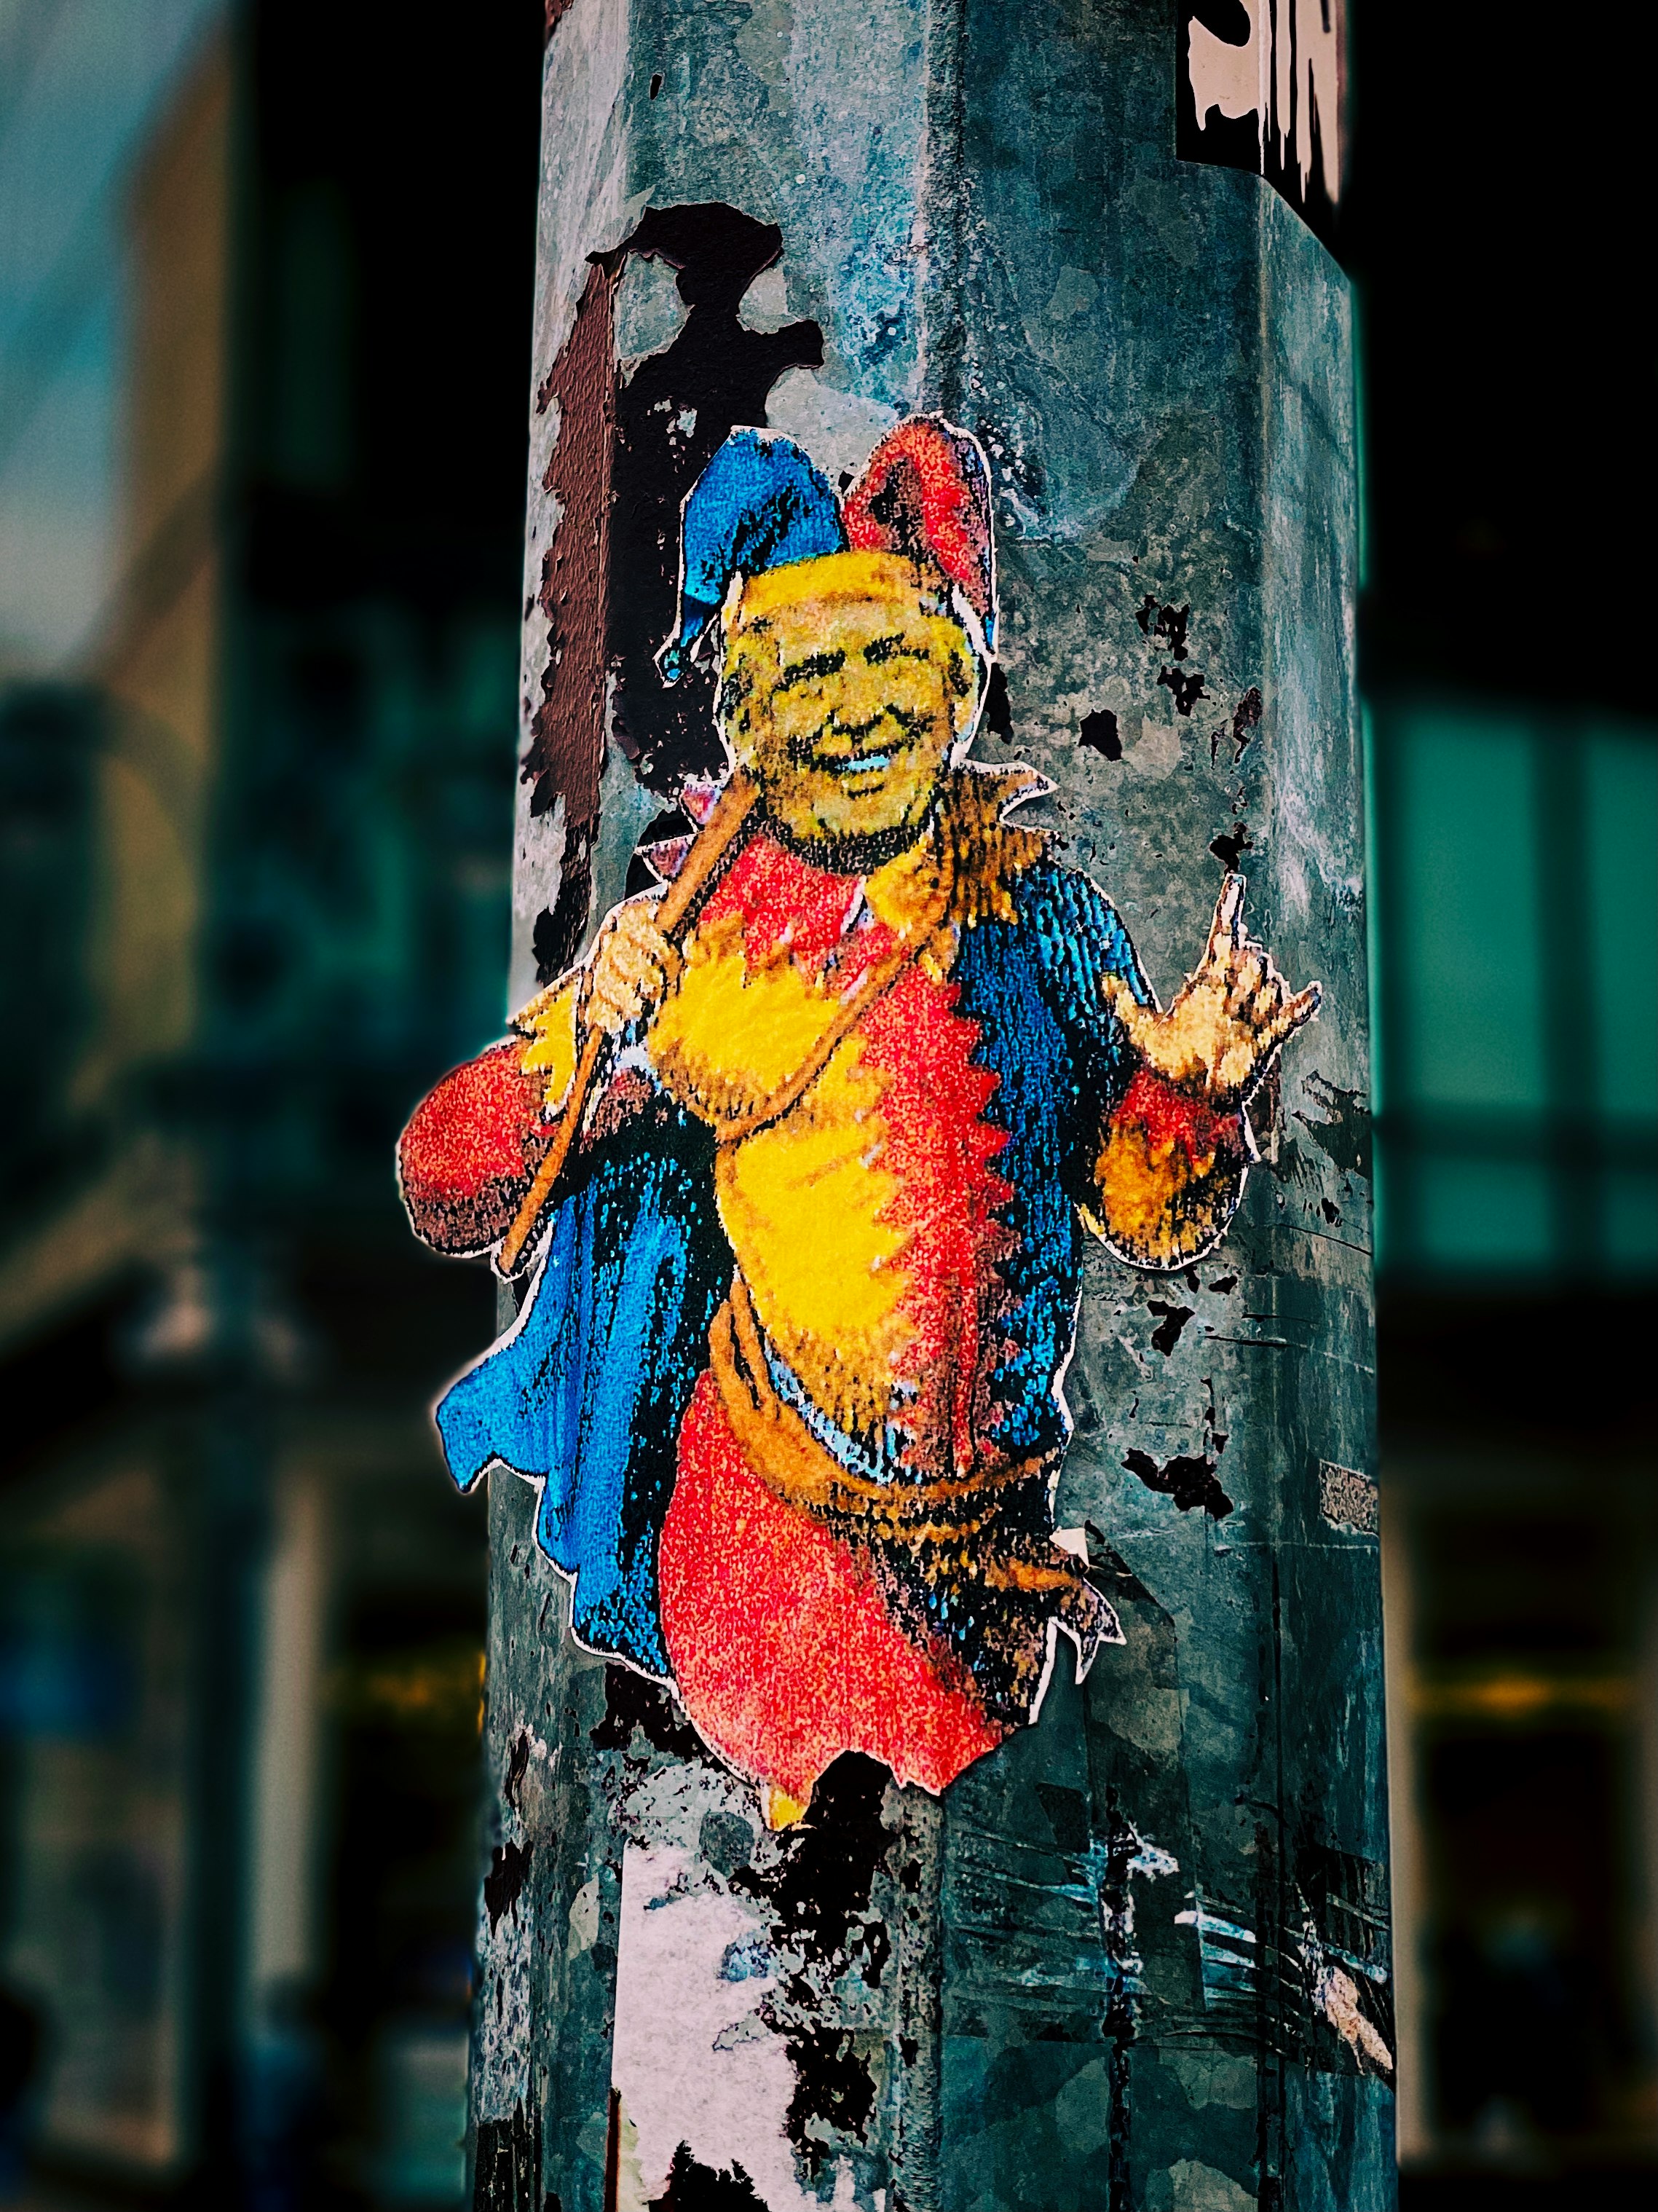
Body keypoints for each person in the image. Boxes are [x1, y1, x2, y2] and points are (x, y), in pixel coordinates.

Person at [399, 417, 1318, 1828]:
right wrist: (590, 1026)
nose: (859, 706)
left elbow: (1143, 1216)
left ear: (954, 676)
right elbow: (448, 1188)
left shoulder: (1041, 913)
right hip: (776, 1540)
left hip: (988, 1545)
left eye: (893, 657)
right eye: (812, 670)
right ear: (749, 717)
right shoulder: (689, 939)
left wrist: (1188, 1088)